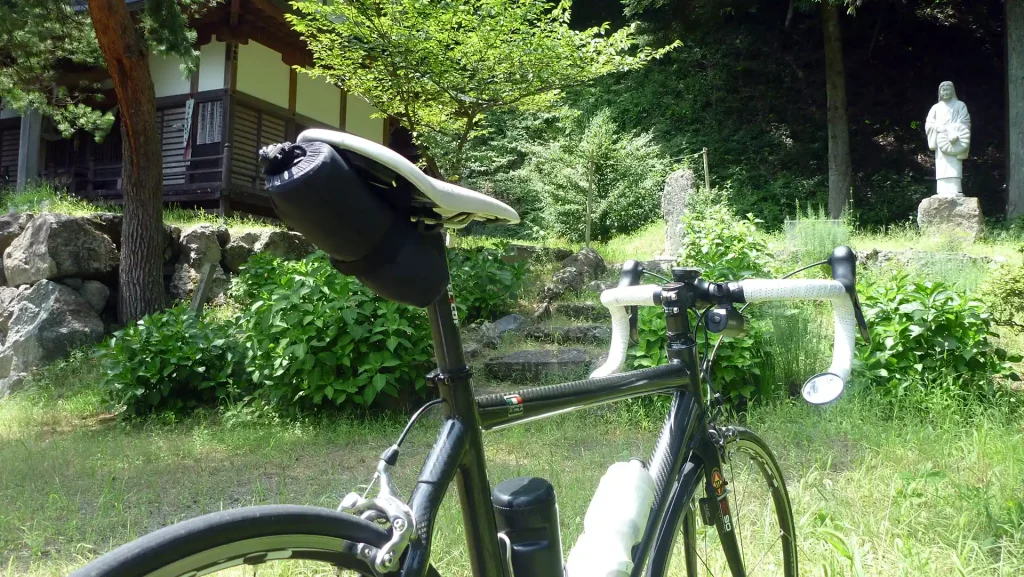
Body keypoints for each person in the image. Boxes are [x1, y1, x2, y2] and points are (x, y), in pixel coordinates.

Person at [925, 81, 971, 197]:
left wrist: (955, 131)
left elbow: (965, 122)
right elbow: (929, 124)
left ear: (953, 91)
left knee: (954, 165)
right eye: (943, 90)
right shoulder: (936, 108)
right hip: (942, 141)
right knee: (941, 166)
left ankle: (955, 189)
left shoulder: (960, 105)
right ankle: (941, 190)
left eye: (948, 89)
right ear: (940, 92)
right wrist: (937, 127)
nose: (945, 92)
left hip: (955, 140)